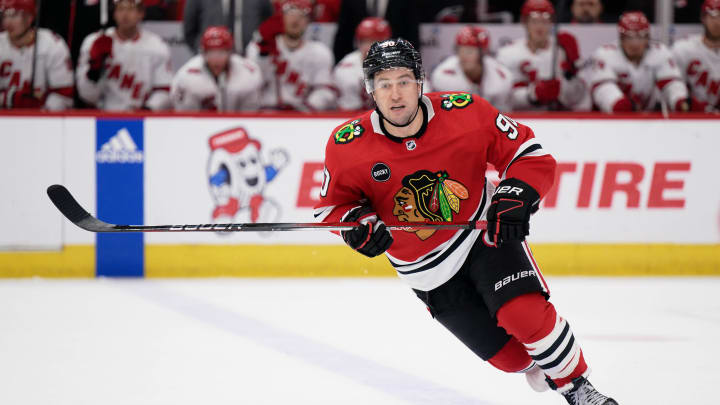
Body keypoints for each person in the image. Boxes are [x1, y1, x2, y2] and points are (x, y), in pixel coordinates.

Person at [314, 37, 618, 405]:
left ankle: (578, 387)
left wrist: (518, 193)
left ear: (421, 82)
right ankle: (544, 366)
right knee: (514, 360)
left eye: (404, 81)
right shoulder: (347, 144)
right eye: (384, 84)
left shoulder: (466, 112)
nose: (396, 95)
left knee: (523, 315)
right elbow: (333, 207)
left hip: (481, 233)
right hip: (426, 271)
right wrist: (357, 225)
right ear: (370, 90)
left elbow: (528, 155)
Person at [76, 0, 173, 111]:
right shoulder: (94, 42)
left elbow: (164, 92)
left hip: (142, 115)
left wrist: (147, 110)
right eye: (120, 9)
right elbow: (87, 96)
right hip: (104, 114)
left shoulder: (157, 46)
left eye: (131, 9)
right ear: (114, 13)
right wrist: (93, 71)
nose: (125, 14)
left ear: (141, 13)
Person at [588, 11, 689, 113]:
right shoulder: (605, 54)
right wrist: (619, 105)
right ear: (621, 38)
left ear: (648, 38)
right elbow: (603, 89)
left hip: (649, 118)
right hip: (613, 119)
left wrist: (679, 101)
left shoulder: (660, 52)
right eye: (629, 37)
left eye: (640, 36)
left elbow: (672, 83)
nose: (635, 44)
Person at [246, 0, 336, 111]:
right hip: (265, 114)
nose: (295, 20)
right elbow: (251, 85)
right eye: (290, 14)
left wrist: (308, 108)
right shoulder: (258, 47)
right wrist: (264, 53)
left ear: (308, 21)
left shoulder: (320, 52)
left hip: (303, 115)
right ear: (281, 17)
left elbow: (325, 90)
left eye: (302, 16)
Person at [496, 0, 586, 111]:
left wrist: (568, 79)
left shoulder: (561, 50)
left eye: (544, 21)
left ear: (551, 23)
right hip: (521, 120)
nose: (539, 27)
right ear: (524, 23)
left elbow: (580, 96)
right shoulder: (507, 54)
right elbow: (502, 97)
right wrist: (532, 94)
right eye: (534, 21)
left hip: (557, 118)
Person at [0, 0, 73, 110]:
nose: (7, 22)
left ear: (30, 17)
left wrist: (40, 112)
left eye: (14, 15)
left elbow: (64, 96)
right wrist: (9, 98)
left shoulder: (52, 44)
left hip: (43, 121)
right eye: (4, 15)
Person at [171, 26, 262, 111]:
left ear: (230, 52)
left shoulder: (249, 72)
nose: (216, 58)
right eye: (211, 53)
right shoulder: (186, 75)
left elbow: (250, 114)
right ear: (203, 53)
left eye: (221, 52)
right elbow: (185, 117)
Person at [431, 26, 513, 112]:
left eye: (469, 51)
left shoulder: (501, 77)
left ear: (482, 53)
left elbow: (504, 113)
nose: (463, 56)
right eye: (460, 50)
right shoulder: (443, 75)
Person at [333, 17, 392, 111]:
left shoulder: (402, 63)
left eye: (375, 41)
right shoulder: (346, 65)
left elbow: (420, 95)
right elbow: (340, 103)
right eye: (364, 41)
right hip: (352, 117)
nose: (369, 47)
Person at [671, 0, 720, 112]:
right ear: (703, 18)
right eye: (713, 16)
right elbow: (674, 88)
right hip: (692, 118)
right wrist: (685, 103)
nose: (717, 22)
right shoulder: (683, 49)